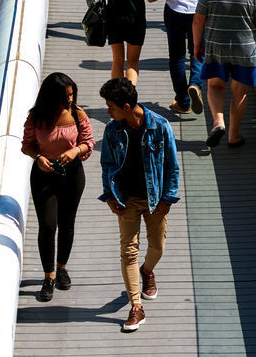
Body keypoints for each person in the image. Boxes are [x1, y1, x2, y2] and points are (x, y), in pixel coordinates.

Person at [97, 77, 179, 334]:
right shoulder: (112, 130)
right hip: (126, 201)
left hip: (156, 201)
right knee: (128, 251)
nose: (108, 111)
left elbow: (171, 167)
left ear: (126, 106)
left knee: (158, 246)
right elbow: (107, 165)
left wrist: (167, 198)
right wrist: (110, 196)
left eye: (111, 106)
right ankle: (136, 306)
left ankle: (147, 270)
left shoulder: (160, 126)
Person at [22, 72, 93, 303]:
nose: (70, 99)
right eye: (66, 96)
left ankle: (62, 267)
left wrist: (75, 151)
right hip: (44, 174)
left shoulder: (77, 114)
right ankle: (48, 276)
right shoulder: (36, 117)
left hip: (71, 174)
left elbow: (88, 142)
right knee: (48, 225)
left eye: (72, 94)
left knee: (67, 222)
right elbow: (27, 145)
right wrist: (38, 157)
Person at [193, 0, 256, 149]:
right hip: (245, 50)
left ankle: (218, 122)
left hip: (216, 46)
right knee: (239, 91)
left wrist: (197, 44)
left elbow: (198, 20)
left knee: (215, 86)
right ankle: (234, 136)